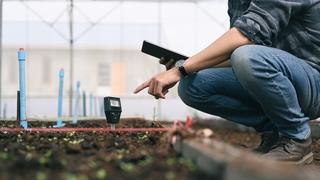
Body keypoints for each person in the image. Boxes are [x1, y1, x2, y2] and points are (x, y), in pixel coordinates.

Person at [134, 0, 320, 165]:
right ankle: (274, 133)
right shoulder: (236, 3)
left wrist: (181, 69)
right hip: (277, 79)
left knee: (247, 56)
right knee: (192, 86)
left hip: (313, 83)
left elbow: (246, 38)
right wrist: (187, 67)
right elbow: (234, 52)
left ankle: (297, 138)